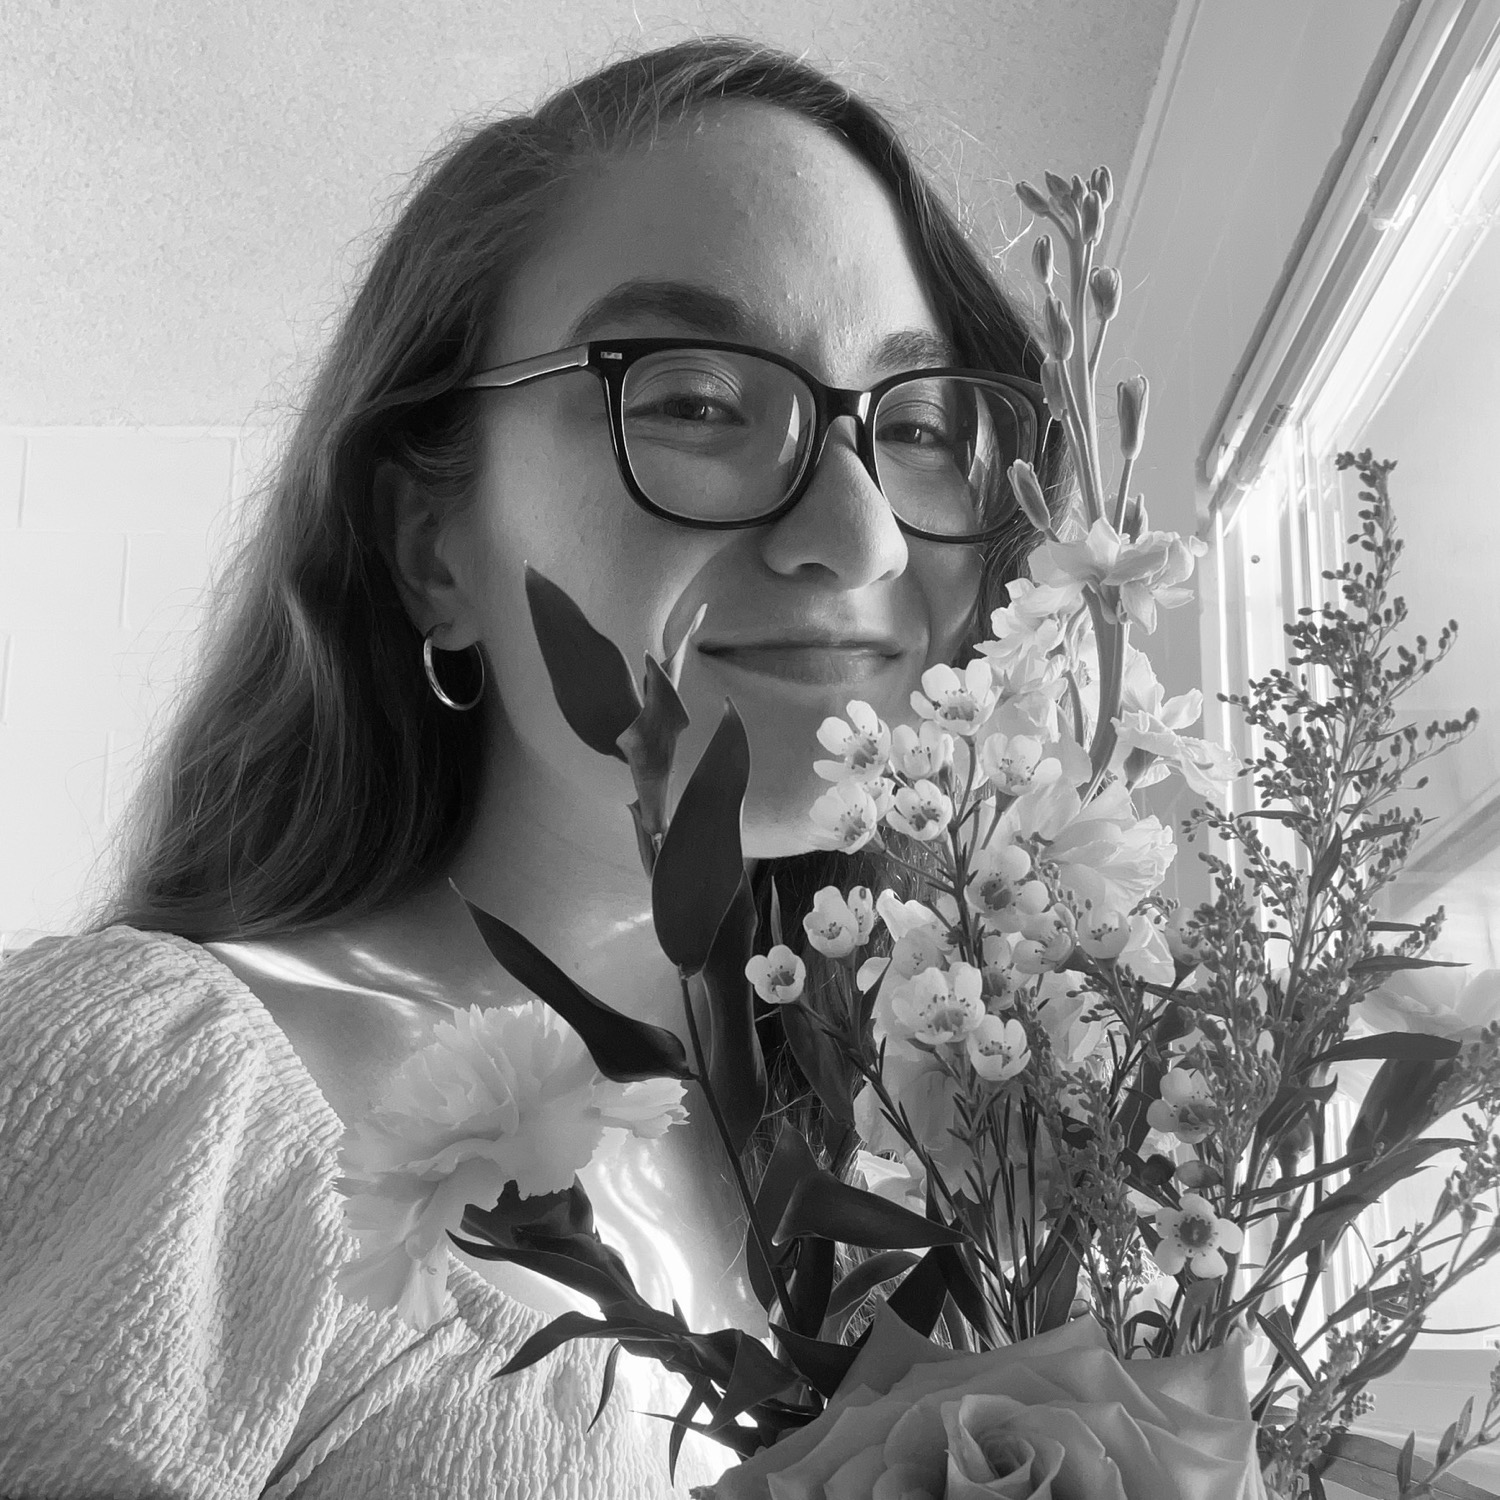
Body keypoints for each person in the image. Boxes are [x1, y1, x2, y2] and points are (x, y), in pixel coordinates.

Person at [0, 36, 1062, 1499]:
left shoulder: (944, 1154)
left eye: (922, 422)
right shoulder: (166, 1110)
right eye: (694, 399)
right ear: (434, 549)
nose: (861, 536)